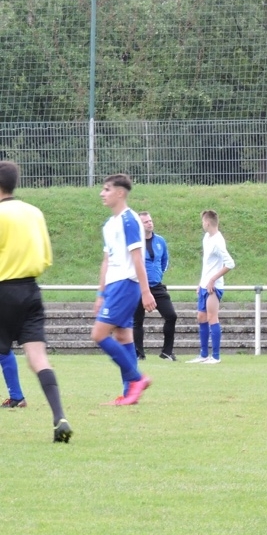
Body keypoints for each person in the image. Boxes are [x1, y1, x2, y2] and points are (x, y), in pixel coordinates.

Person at [0, 161, 72, 441]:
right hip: (30, 290)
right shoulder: (34, 212)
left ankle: (17, 397)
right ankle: (59, 416)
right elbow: (45, 257)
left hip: (2, 290)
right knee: (38, 358)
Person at [92, 173, 155, 405]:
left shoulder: (129, 220)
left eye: (107, 189)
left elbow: (137, 259)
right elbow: (106, 260)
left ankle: (137, 379)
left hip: (126, 284)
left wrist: (146, 291)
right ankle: (130, 394)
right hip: (113, 286)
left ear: (120, 193)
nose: (102, 193)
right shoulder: (110, 224)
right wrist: (101, 293)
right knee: (122, 336)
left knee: (98, 334)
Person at [186, 210, 235, 364]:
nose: (202, 224)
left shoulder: (218, 241)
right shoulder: (207, 238)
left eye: (203, 222)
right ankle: (203, 354)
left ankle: (216, 356)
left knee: (212, 317)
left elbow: (230, 264)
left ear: (207, 223)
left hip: (214, 287)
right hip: (204, 285)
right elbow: (207, 264)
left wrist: (213, 279)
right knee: (201, 317)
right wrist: (201, 282)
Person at [132, 211, 178, 361]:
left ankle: (167, 352)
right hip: (138, 287)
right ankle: (139, 353)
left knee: (171, 316)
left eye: (150, 221)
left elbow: (164, 261)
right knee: (137, 321)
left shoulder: (160, 241)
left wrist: (157, 275)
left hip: (156, 286)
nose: (149, 223)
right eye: (145, 222)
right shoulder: (135, 243)